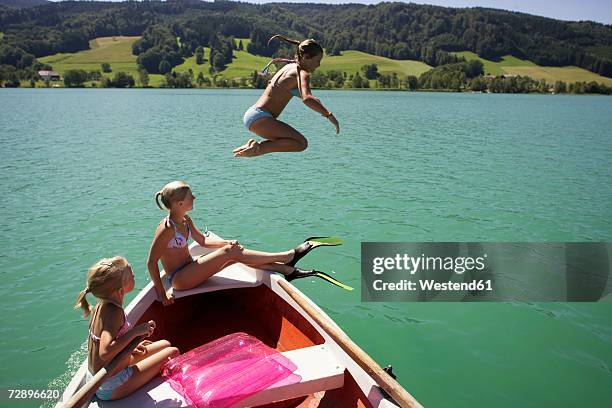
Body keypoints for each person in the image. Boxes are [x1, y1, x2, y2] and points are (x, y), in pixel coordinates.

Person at [147, 181, 321, 305]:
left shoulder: (185, 220)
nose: (194, 197)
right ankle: (287, 257)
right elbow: (151, 262)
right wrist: (162, 295)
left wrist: (226, 242)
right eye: (190, 196)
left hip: (191, 269)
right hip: (180, 279)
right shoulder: (167, 228)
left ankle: (286, 269)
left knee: (232, 255)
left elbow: (203, 240)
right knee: (230, 253)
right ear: (179, 203)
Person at [74, 256, 180, 401]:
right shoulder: (115, 312)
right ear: (121, 291)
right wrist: (136, 332)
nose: (134, 275)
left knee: (165, 344)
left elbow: (109, 342)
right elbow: (105, 352)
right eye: (131, 276)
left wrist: (132, 346)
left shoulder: (102, 305)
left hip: (98, 377)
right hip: (111, 384)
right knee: (173, 352)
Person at [233, 35, 340, 157]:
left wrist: (317, 102)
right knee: (301, 143)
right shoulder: (301, 73)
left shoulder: (288, 67)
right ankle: (258, 149)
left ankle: (253, 146)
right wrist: (329, 115)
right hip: (261, 118)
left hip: (254, 114)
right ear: (306, 57)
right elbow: (307, 98)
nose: (318, 65)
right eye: (317, 61)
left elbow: (284, 90)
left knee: (297, 142)